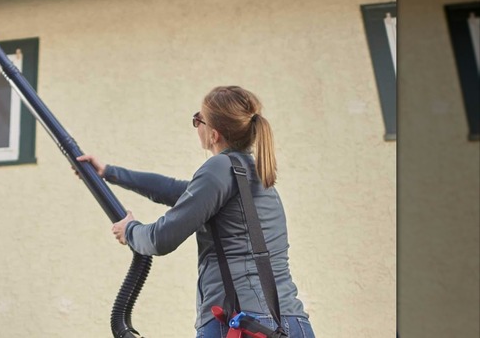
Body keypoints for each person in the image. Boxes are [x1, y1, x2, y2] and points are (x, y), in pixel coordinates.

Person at [75, 86, 315, 338]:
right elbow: (175, 190)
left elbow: (161, 239)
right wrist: (109, 172)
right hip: (293, 325)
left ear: (213, 134)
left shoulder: (219, 168)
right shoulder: (253, 173)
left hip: (240, 324)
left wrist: (131, 231)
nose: (196, 126)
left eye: (197, 120)